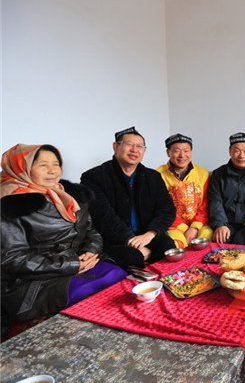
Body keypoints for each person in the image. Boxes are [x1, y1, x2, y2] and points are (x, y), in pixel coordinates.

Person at [1, 144, 127, 334]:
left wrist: (90, 251)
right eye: (43, 165)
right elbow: (13, 259)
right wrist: (72, 264)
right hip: (34, 281)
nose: (52, 170)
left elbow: (90, 230)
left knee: (119, 277)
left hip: (77, 264)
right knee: (92, 294)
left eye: (56, 164)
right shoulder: (10, 204)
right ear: (22, 169)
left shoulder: (69, 195)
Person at [81, 127, 176, 269]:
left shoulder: (153, 177)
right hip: (115, 239)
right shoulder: (93, 177)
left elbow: (167, 209)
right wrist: (131, 241)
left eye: (139, 146)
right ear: (115, 146)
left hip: (146, 234)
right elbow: (103, 217)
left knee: (168, 248)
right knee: (132, 258)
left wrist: (150, 234)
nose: (134, 150)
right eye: (129, 144)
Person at [156, 133, 212, 248]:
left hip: (200, 224)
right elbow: (161, 208)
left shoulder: (202, 173)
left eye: (186, 151)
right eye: (176, 151)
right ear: (168, 152)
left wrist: (194, 227)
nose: (182, 155)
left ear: (191, 152)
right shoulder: (157, 175)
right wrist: (184, 228)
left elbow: (206, 204)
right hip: (172, 225)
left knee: (205, 240)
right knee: (178, 245)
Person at [208, 133, 245, 244]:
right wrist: (220, 225)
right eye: (237, 151)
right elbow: (215, 201)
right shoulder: (218, 174)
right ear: (230, 151)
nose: (242, 155)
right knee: (221, 241)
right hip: (226, 223)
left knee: (241, 240)